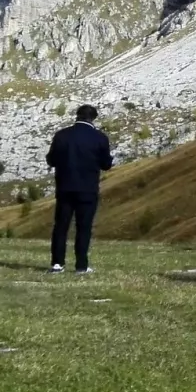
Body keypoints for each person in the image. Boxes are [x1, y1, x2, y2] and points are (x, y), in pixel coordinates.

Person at [45, 104, 113, 274]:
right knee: (84, 227)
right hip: (87, 188)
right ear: (93, 118)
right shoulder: (99, 138)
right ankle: (81, 265)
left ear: (77, 116)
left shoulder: (62, 135)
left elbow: (51, 160)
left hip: (65, 187)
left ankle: (57, 263)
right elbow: (106, 165)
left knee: (61, 225)